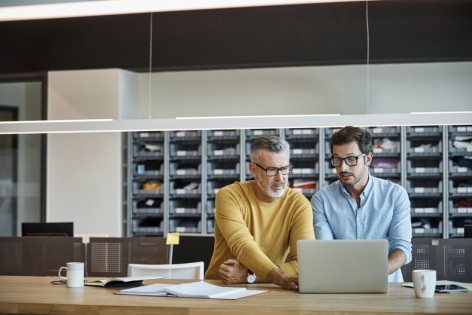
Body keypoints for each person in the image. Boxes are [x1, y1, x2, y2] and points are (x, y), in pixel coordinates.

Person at [204, 135, 315, 290]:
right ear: (253, 170)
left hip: (270, 289)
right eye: (271, 170)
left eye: (284, 169)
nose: (280, 178)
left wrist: (250, 276)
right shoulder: (229, 196)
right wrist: (280, 277)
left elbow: (304, 264)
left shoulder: (299, 204)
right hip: (220, 287)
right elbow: (243, 246)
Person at [311, 126, 412, 282]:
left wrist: (374, 274)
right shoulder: (322, 200)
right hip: (341, 286)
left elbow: (402, 249)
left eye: (351, 159)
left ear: (368, 159)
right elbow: (326, 252)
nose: (343, 167)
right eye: (337, 160)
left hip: (387, 286)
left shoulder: (395, 195)